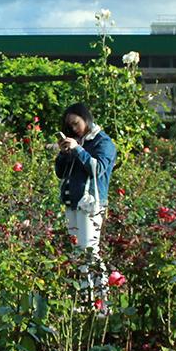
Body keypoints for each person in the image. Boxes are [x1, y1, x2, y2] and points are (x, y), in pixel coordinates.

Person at [53, 102, 117, 306]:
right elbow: (60, 173)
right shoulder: (76, 142)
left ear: (86, 119)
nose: (73, 128)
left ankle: (102, 302)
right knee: (78, 253)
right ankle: (85, 301)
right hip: (72, 202)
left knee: (90, 251)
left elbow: (97, 169)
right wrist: (64, 153)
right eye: (69, 125)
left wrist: (78, 149)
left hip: (91, 204)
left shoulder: (103, 142)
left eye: (76, 123)